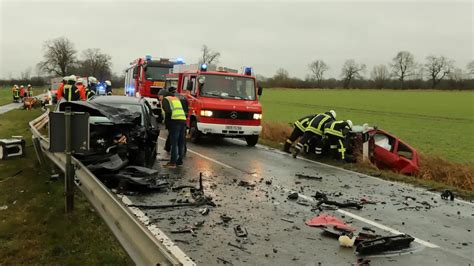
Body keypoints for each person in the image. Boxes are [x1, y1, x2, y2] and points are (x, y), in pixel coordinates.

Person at [158, 89, 187, 168]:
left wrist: (168, 123)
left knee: (174, 143)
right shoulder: (175, 98)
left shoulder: (165, 100)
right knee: (180, 142)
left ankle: (173, 162)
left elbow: (168, 111)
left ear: (162, 95)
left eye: (159, 96)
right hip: (182, 120)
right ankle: (179, 161)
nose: (158, 98)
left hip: (174, 122)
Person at [164, 87, 189, 153]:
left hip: (174, 118)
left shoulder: (171, 98)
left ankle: (169, 148)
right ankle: (183, 150)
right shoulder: (182, 97)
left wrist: (167, 122)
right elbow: (187, 107)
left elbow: (169, 111)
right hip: (183, 118)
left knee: (172, 135)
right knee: (182, 136)